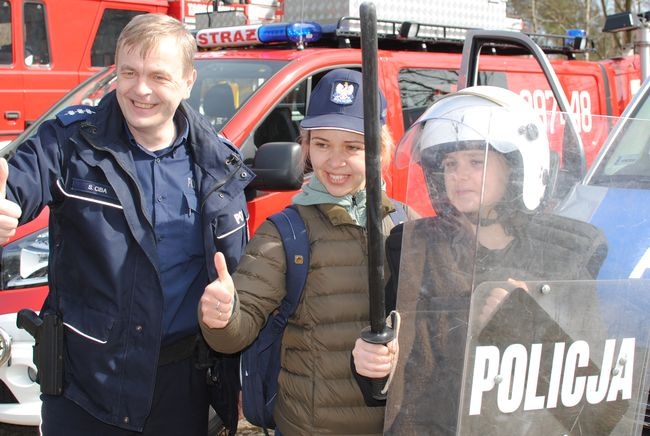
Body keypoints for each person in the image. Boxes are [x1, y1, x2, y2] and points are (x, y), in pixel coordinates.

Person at [0, 13, 250, 435]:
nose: (141, 89)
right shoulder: (70, 141)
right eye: (128, 72)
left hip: (178, 389)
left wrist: (231, 309)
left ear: (189, 80)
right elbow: (18, 182)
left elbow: (239, 277)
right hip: (86, 385)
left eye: (159, 76)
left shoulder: (218, 163)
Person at [351, 86, 613, 434]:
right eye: (450, 164)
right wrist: (371, 365)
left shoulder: (565, 256)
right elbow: (397, 373)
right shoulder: (415, 249)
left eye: (477, 161)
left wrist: (523, 323)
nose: (460, 175)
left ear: (518, 167)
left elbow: (594, 401)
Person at [199, 68, 397, 435]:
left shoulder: (404, 227)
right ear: (305, 147)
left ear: (380, 150)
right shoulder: (286, 233)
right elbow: (237, 330)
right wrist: (221, 316)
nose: (335, 161)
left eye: (352, 147)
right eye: (322, 144)